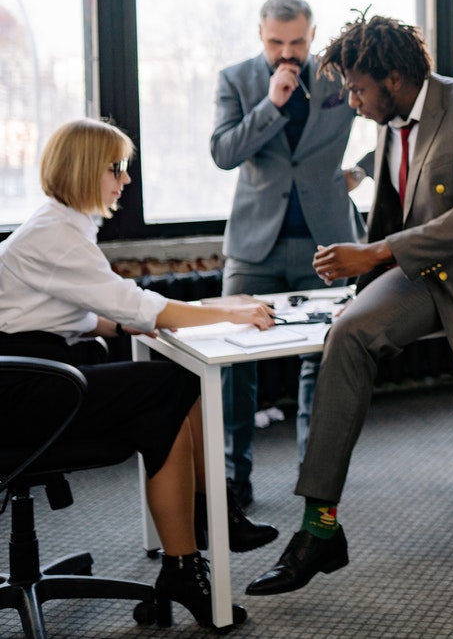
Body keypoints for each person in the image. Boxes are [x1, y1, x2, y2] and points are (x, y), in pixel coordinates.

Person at [0, 118, 280, 629]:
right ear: (86, 169)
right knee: (168, 387)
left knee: (171, 387)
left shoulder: (63, 225)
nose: (125, 180)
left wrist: (196, 310)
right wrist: (230, 313)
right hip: (22, 391)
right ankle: (200, 536)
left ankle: (189, 554)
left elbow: (97, 312)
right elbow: (136, 305)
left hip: (40, 371)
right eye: (117, 168)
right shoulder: (56, 235)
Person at [246, 13, 453, 596]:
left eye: (357, 88)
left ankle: (318, 531)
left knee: (346, 335)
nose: (350, 99)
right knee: (340, 331)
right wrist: (362, 272)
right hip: (414, 270)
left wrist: (371, 257)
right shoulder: (390, 118)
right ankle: (320, 526)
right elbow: (399, 203)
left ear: (394, 78)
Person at [211, 0, 367, 508]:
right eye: (277, 41)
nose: (288, 52)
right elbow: (224, 152)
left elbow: (392, 121)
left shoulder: (337, 76)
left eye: (298, 41)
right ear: (260, 34)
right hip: (255, 246)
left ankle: (314, 477)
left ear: (313, 33)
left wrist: (360, 170)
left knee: (321, 362)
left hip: (327, 240)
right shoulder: (237, 80)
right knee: (234, 364)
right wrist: (272, 105)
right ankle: (235, 477)